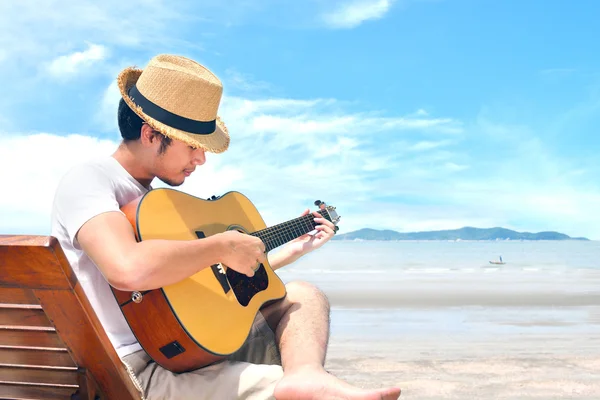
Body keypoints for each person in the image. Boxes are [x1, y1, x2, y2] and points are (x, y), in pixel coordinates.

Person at [50, 54, 401, 400]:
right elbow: (127, 269)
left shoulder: (149, 202)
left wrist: (286, 254)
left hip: (182, 349)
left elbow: (189, 287)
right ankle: (300, 386)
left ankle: (305, 376)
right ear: (151, 135)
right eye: (192, 146)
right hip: (138, 370)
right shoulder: (90, 180)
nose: (201, 159)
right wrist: (222, 246)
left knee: (304, 296)